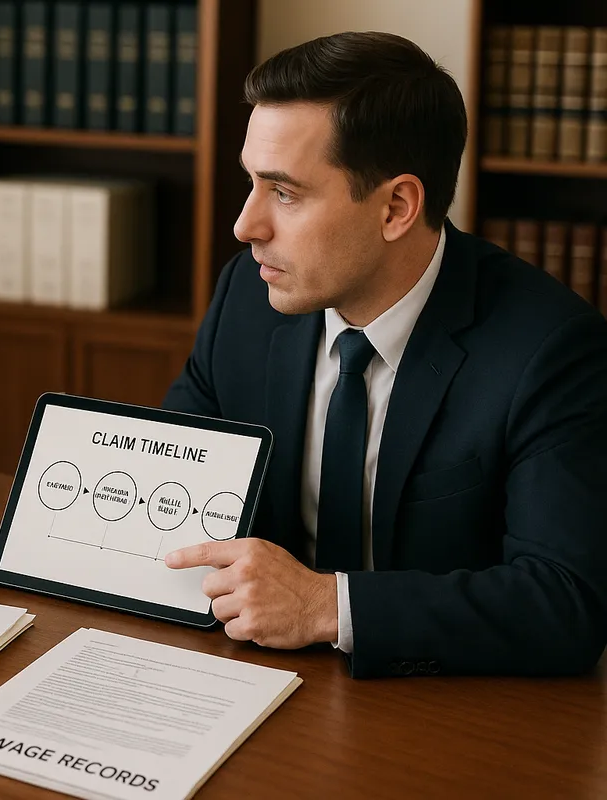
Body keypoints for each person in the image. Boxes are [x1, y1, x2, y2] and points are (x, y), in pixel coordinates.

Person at [162, 31, 607, 677]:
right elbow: (182, 479)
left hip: (443, 709)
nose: (245, 225)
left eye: (284, 193)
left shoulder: (552, 349)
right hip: (252, 675)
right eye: (250, 184)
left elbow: (567, 603)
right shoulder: (247, 293)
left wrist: (328, 606)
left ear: (397, 206)